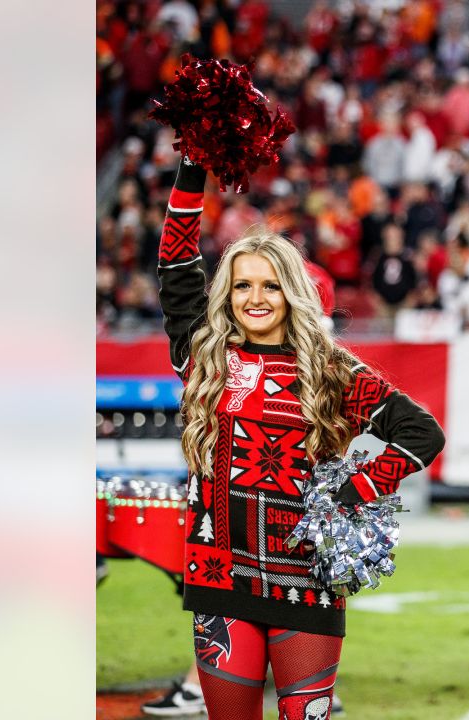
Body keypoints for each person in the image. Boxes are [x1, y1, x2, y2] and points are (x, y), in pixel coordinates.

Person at [156, 157, 445, 720]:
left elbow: (421, 432)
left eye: (271, 286)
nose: (255, 298)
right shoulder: (204, 354)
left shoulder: (329, 368)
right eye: (242, 285)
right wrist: (193, 168)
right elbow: (176, 265)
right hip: (221, 580)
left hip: (306, 587)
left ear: (293, 293)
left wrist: (352, 494)